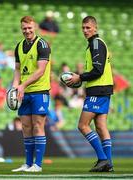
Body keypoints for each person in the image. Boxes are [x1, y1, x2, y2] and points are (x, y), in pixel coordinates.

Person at [66, 16, 114, 172]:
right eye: (83, 28)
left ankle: (102, 159)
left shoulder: (95, 44)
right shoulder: (94, 45)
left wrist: (79, 77)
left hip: (98, 89)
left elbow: (98, 71)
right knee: (100, 126)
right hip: (103, 89)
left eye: (88, 27)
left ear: (95, 28)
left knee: (82, 125)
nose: (85, 31)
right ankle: (109, 164)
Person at [11, 16, 51, 172]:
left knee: (37, 125)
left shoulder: (42, 44)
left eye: (29, 28)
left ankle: (38, 165)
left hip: (40, 91)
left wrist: (22, 85)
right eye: (24, 28)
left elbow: (41, 71)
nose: (27, 31)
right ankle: (28, 164)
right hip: (24, 91)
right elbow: (17, 70)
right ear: (21, 29)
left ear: (35, 27)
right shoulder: (19, 46)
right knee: (26, 127)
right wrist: (15, 87)